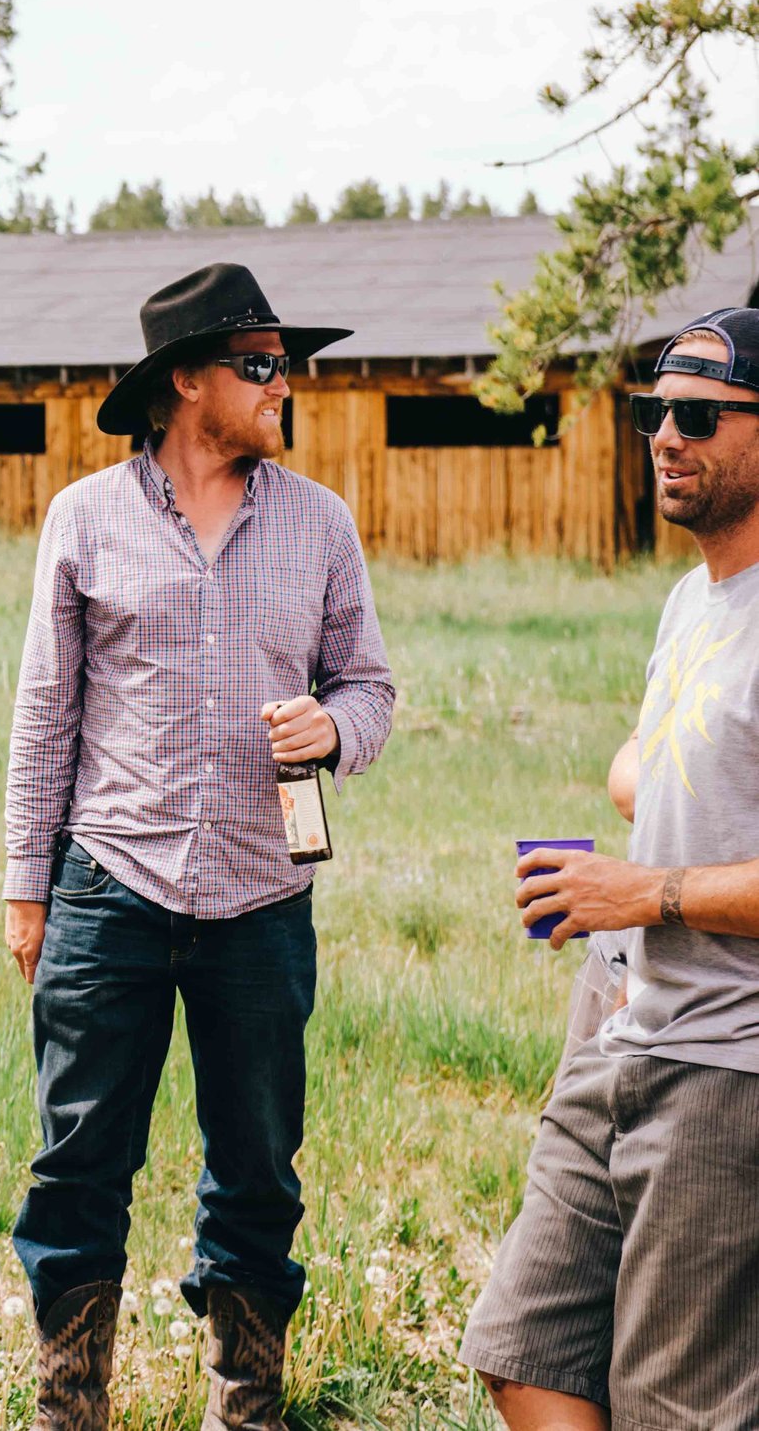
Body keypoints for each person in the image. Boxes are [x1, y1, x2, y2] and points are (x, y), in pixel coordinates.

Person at [2, 263, 396, 1431]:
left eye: (289, 366)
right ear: (186, 382)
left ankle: (248, 1403)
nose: (286, 386)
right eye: (262, 365)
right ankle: (69, 1405)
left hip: (263, 899)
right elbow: (44, 715)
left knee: (259, 1170)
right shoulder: (83, 517)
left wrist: (334, 726)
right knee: (77, 1165)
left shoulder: (320, 522)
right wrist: (28, 892)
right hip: (108, 888)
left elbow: (370, 685)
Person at [460, 309, 759, 1430]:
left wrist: (652, 891)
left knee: (671, 1405)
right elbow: (678, 757)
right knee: (522, 1347)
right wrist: (642, 787)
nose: (666, 438)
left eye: (698, 415)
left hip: (728, 1064)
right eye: (653, 415)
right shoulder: (693, 599)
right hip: (623, 1023)